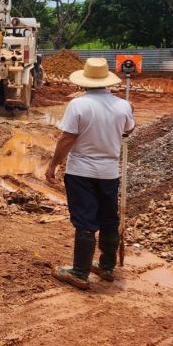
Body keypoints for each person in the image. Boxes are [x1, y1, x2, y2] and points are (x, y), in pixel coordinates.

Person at [45, 58, 135, 290]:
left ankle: (80, 272)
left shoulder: (78, 105)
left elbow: (67, 138)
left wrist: (53, 164)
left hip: (81, 172)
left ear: (84, 82)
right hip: (109, 172)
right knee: (108, 217)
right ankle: (106, 267)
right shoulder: (123, 105)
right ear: (107, 81)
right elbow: (129, 129)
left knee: (85, 219)